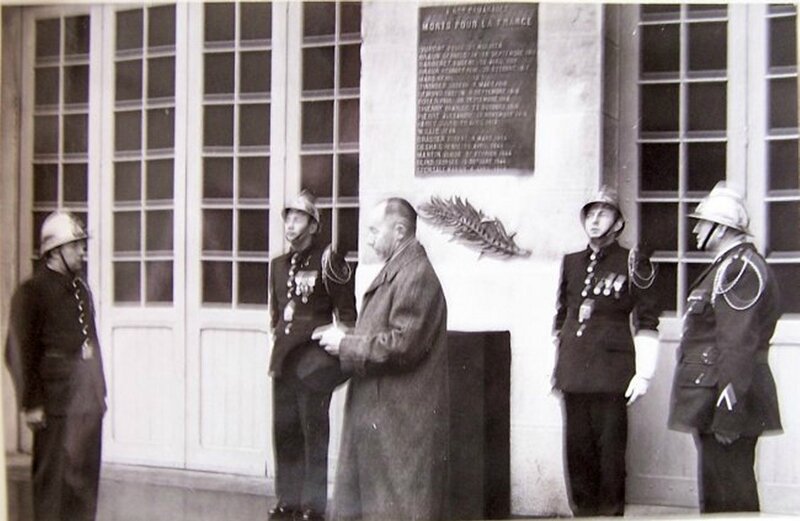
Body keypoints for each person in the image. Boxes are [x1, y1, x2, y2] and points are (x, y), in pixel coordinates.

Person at [313, 197, 449, 521]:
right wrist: (348, 335)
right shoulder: (402, 269)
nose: (369, 238)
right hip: (382, 415)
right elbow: (387, 332)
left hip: (397, 421)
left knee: (396, 508)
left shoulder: (416, 275)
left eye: (375, 230)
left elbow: (402, 345)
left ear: (400, 231)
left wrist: (346, 344)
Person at [668, 182, 782, 513]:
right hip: (715, 400)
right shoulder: (727, 266)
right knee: (721, 495)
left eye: (703, 222)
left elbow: (737, 347)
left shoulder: (739, 269)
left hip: (729, 404)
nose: (696, 229)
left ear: (721, 228)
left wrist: (728, 414)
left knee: (730, 497)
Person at [552, 186, 660, 516]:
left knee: (610, 457)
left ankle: (610, 515)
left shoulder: (632, 260)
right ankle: (584, 514)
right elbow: (561, 318)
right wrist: (556, 368)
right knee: (577, 454)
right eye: (590, 213)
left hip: (611, 374)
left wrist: (644, 373)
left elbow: (647, 318)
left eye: (604, 213)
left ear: (618, 223)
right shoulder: (571, 262)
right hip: (574, 372)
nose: (595, 219)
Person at [5, 211, 107, 521]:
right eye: (74, 246)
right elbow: (17, 351)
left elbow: (93, 344)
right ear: (55, 251)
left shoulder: (81, 289)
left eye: (80, 245)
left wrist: (100, 393)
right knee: (53, 488)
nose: (81, 252)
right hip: (54, 406)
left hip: (86, 405)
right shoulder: (32, 292)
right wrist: (31, 402)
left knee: (83, 485)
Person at [268, 191, 357, 521]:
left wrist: (335, 351)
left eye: (298, 217)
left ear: (314, 223)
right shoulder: (278, 265)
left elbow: (347, 316)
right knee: (285, 432)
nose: (291, 224)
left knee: (313, 436)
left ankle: (312, 505)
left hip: (313, 364)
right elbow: (276, 314)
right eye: (287, 217)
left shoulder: (328, 260)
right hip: (284, 362)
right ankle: (287, 499)